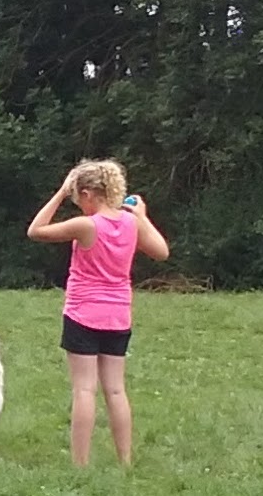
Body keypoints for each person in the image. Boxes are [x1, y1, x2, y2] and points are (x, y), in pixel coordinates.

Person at [26, 158, 169, 467]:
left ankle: (80, 465)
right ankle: (125, 461)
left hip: (82, 314)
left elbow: (36, 230)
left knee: (84, 390)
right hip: (118, 317)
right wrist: (142, 217)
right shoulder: (130, 223)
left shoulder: (86, 225)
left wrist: (60, 193)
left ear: (89, 193)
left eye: (79, 198)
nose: (79, 204)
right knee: (116, 391)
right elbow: (161, 251)